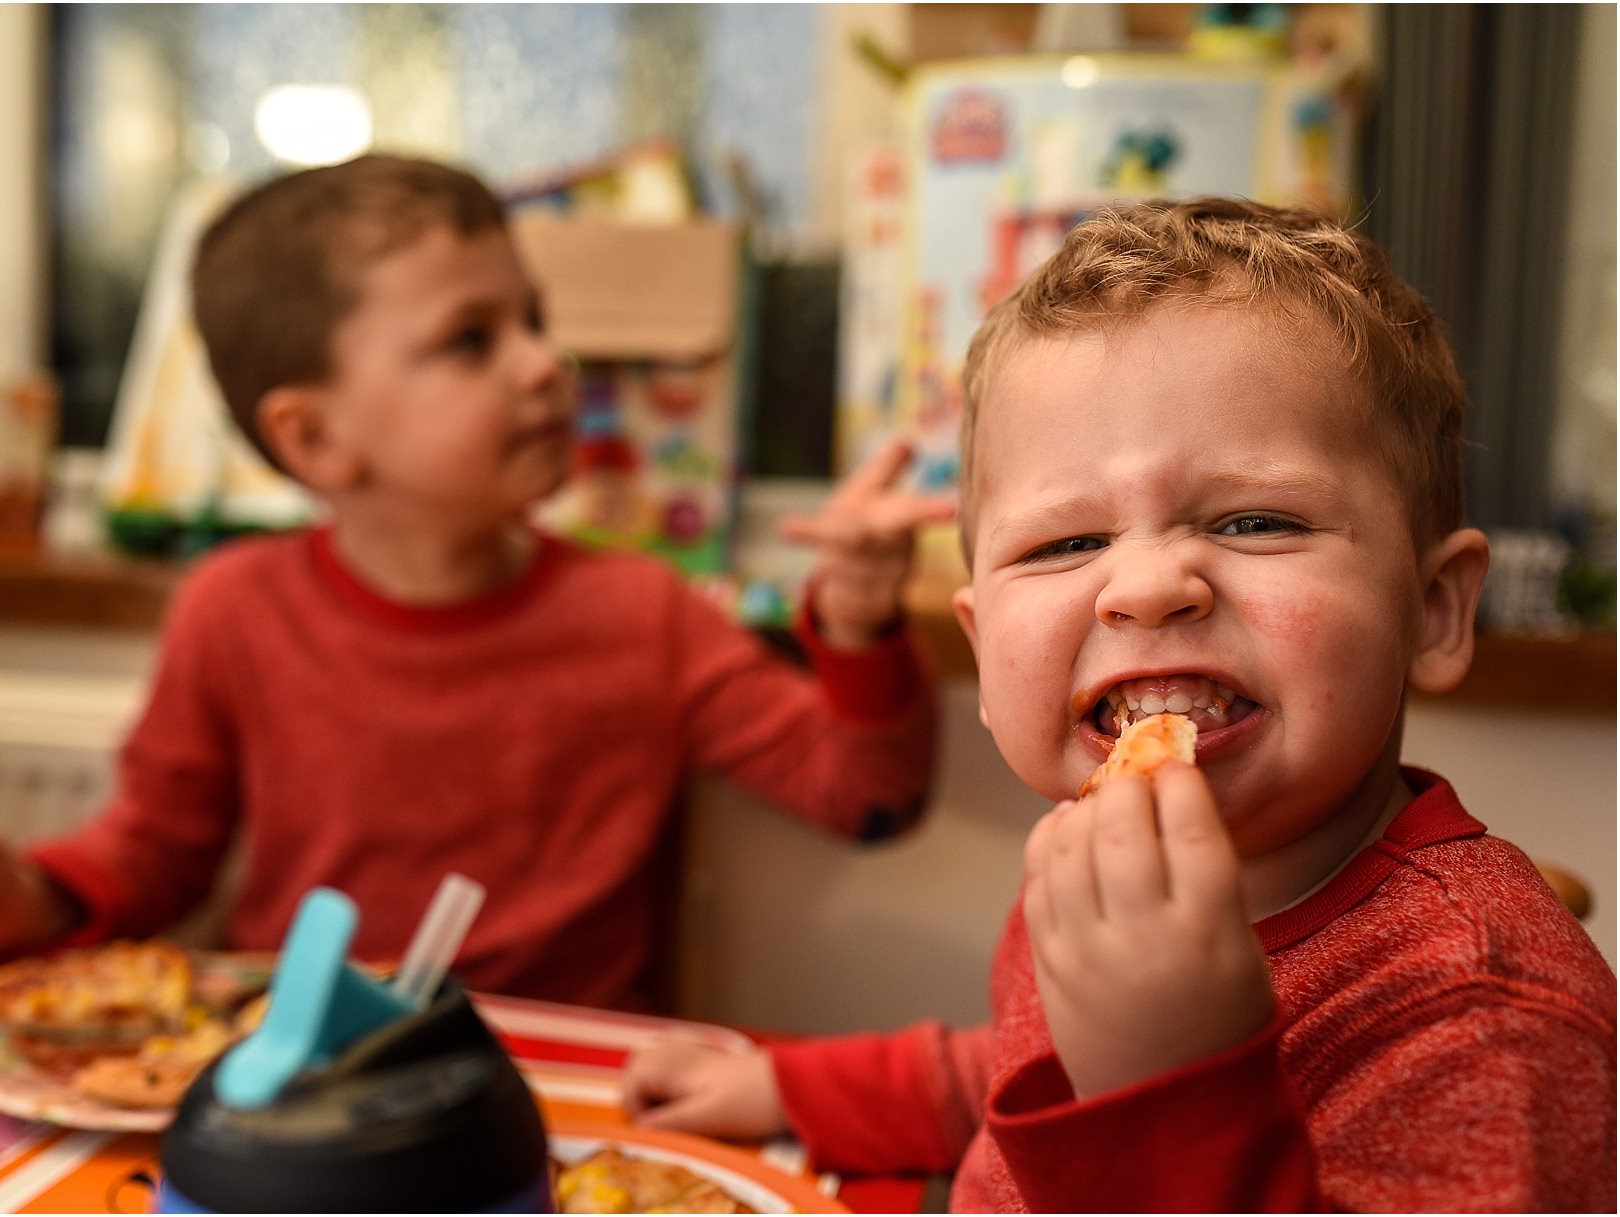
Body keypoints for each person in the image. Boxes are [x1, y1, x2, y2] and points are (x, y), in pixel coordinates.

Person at [620, 197, 1617, 1209]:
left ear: (1433, 611)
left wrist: (1171, 1089)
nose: (1143, 585)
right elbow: (1020, 1069)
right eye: (1065, 542)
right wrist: (787, 1087)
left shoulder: (1483, 1015)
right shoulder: (1100, 857)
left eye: (1255, 519)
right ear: (980, 642)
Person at [0, 155, 954, 1013]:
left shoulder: (643, 612)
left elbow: (866, 796)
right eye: (471, 340)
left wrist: (854, 621)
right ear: (316, 436)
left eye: (533, 321)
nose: (542, 363)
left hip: (558, 1100)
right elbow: (148, 856)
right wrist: (16, 891)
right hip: (296, 1075)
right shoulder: (232, 609)